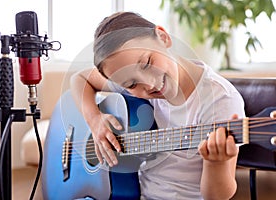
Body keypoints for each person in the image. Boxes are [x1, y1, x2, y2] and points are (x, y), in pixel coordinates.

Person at [70, 11, 245, 200]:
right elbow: (79, 79)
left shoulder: (219, 100)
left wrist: (216, 164)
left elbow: (218, 197)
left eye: (146, 63)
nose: (150, 84)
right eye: (131, 84)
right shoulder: (127, 77)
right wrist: (94, 120)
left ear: (163, 37)